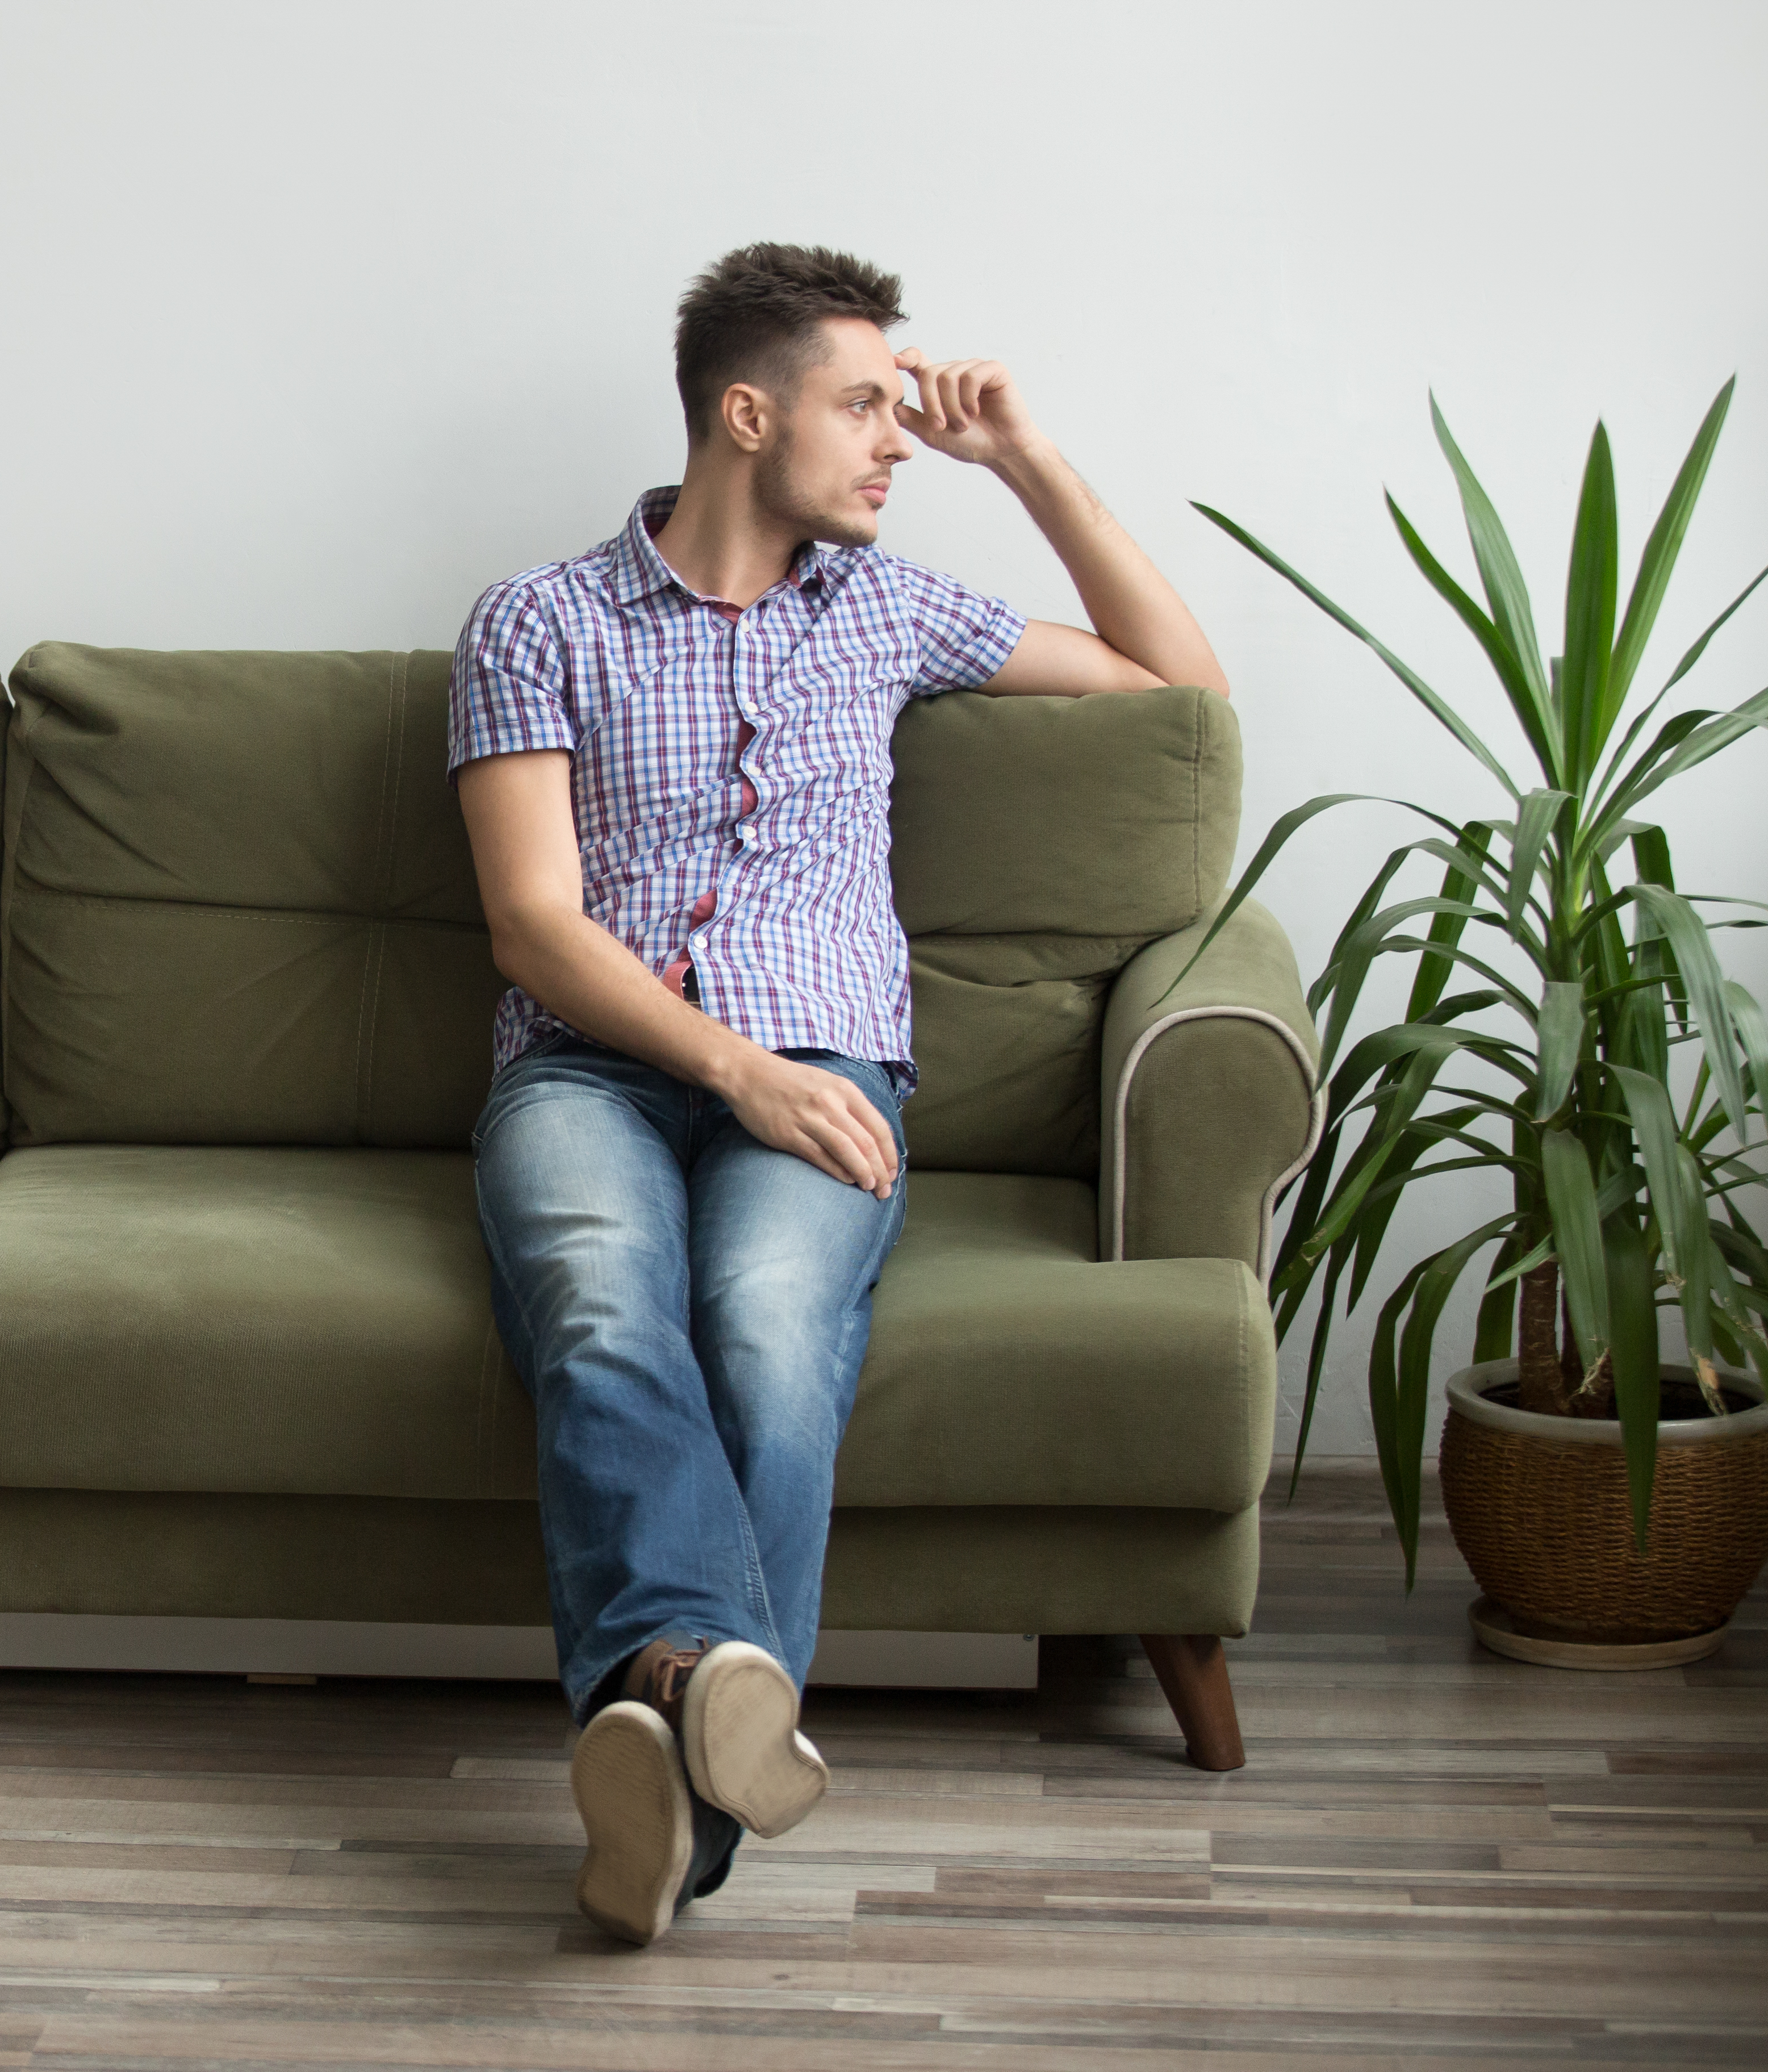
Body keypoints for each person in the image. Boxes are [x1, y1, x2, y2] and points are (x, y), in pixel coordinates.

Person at [450, 244, 1231, 1945]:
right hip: (594, 1070)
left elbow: (1184, 697)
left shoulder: (886, 607)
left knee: (770, 1327)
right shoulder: (536, 620)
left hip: (831, 1069)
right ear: (749, 414)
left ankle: (665, 1769)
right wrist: (739, 1069)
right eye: (866, 404)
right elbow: (533, 926)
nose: (897, 440)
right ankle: (700, 1724)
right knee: (597, 1302)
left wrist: (1021, 455)